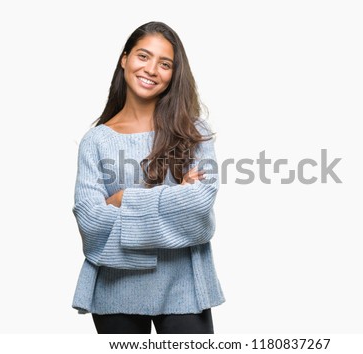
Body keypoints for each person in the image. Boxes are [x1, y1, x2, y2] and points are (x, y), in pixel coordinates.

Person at [71, 21, 224, 334]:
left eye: (164, 63)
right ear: (124, 59)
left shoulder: (195, 133)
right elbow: (90, 222)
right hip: (115, 291)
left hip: (185, 291)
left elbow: (198, 213)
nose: (152, 69)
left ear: (173, 75)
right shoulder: (96, 141)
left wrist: (121, 199)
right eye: (144, 56)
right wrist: (172, 201)